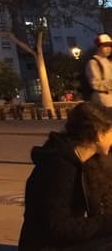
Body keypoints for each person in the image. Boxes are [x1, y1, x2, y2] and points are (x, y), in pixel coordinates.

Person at [18, 102, 112, 250]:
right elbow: (57, 228)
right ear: (99, 134)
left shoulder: (89, 160)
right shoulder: (59, 167)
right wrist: (106, 222)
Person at [86, 33, 112, 108]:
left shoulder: (108, 61)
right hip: (103, 98)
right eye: (105, 46)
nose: (108, 49)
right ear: (98, 47)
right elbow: (95, 84)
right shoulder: (93, 62)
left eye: (110, 46)